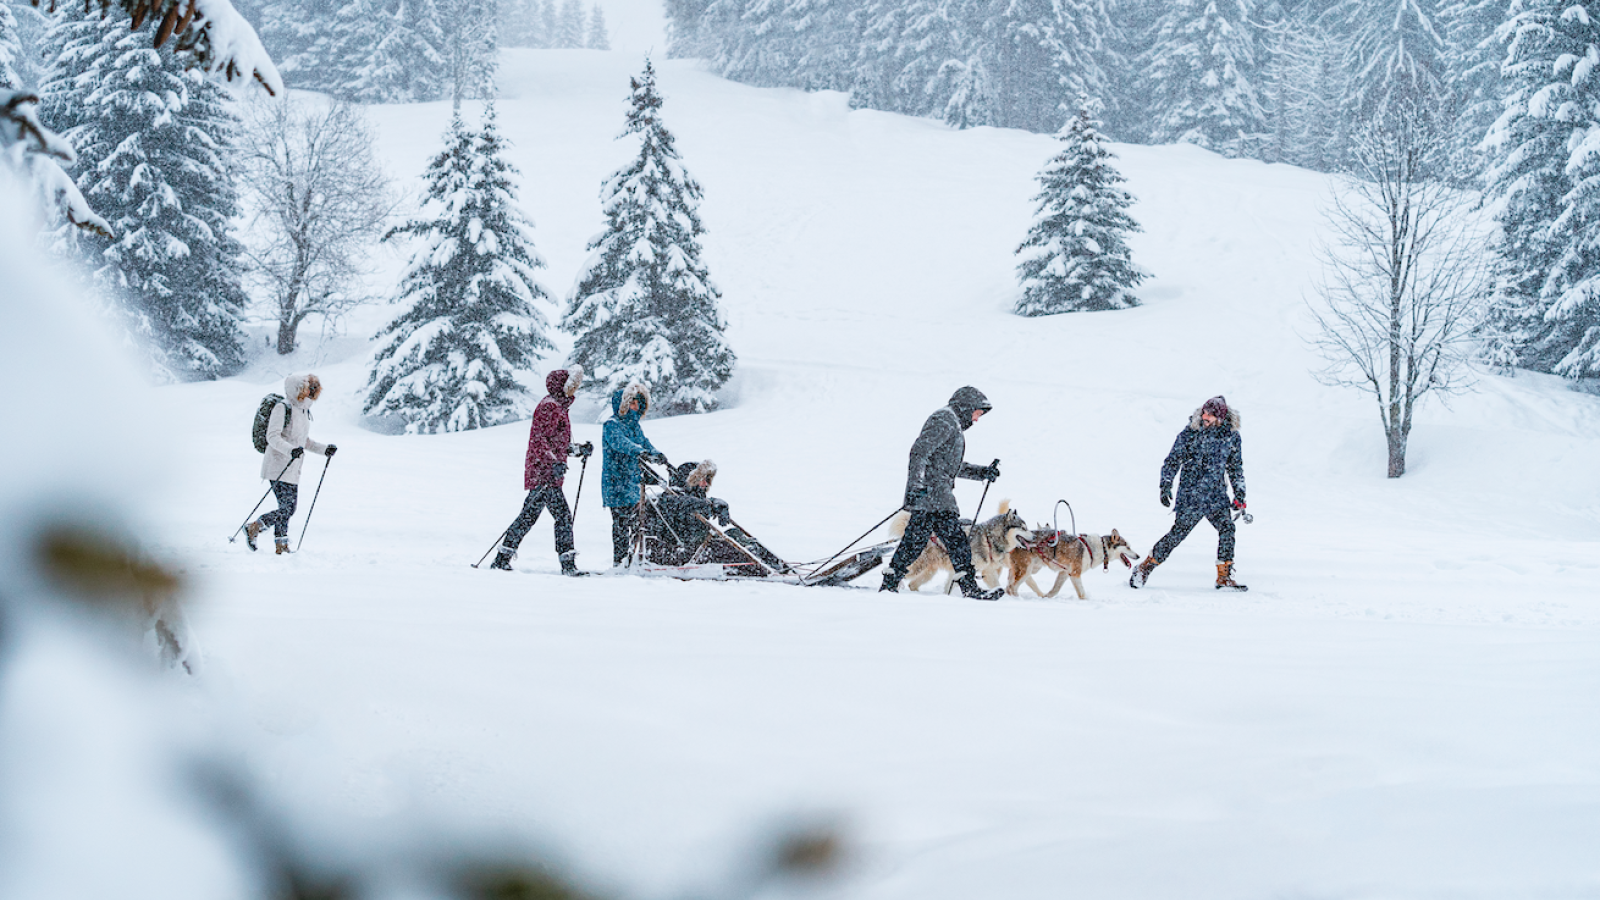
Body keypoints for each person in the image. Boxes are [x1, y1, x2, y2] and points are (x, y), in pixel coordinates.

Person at [879, 386, 1004, 600]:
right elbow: (919, 452)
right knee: (955, 541)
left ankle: (890, 583)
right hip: (932, 495)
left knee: (916, 541)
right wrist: (915, 487)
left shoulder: (951, 423)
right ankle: (969, 588)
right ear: (967, 406)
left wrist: (982, 472)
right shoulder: (944, 420)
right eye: (977, 413)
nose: (976, 419)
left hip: (935, 495)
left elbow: (948, 466)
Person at [1130, 395, 1248, 591]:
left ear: (1220, 417)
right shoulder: (1191, 433)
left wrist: (1240, 494)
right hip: (1191, 494)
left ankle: (1224, 577)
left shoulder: (1231, 437)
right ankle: (1144, 568)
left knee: (1227, 530)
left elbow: (1235, 468)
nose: (1205, 417)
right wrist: (1165, 484)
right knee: (1177, 534)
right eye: (1204, 412)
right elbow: (1172, 460)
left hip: (1216, 496)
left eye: (1209, 414)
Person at [490, 367, 591, 575]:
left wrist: (578, 450)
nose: (574, 390)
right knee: (561, 517)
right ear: (562, 386)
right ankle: (568, 564)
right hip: (544, 474)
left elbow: (556, 443)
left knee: (528, 516)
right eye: (571, 386)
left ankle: (502, 558)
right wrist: (553, 462)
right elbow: (539, 441)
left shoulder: (558, 407)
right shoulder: (550, 407)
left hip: (547, 473)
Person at [245, 374, 336, 555]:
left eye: (313, 390)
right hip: (277, 465)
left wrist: (324, 449)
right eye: (307, 389)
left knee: (286, 508)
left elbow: (304, 441)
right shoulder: (282, 407)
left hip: (293, 468)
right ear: (297, 389)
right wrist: (290, 450)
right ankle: (255, 527)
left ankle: (281, 545)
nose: (310, 392)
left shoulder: (303, 411)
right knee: (288, 508)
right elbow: (272, 437)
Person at [601, 382, 668, 566]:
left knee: (639, 522)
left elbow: (645, 443)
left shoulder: (635, 427)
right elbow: (621, 444)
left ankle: (635, 557)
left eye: (638, 403)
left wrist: (656, 454)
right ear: (623, 405)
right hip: (616, 482)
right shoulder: (611, 425)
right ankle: (620, 560)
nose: (636, 407)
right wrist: (639, 452)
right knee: (621, 523)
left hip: (632, 482)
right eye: (632, 403)